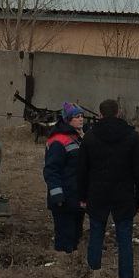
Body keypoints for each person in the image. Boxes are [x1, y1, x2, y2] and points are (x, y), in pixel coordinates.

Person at [77, 98, 139, 278]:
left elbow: (82, 170)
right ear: (118, 113)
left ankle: (93, 273)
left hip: (97, 192)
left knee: (96, 233)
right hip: (123, 194)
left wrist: (82, 196)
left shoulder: (90, 137)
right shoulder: (131, 137)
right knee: (124, 237)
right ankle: (126, 277)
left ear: (100, 115)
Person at [42, 102, 86, 254]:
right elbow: (51, 170)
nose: (81, 119)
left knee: (76, 235)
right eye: (76, 117)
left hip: (78, 196)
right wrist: (57, 195)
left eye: (82, 116)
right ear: (68, 119)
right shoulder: (59, 141)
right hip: (64, 199)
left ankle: (72, 263)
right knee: (65, 237)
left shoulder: (79, 137)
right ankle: (62, 263)